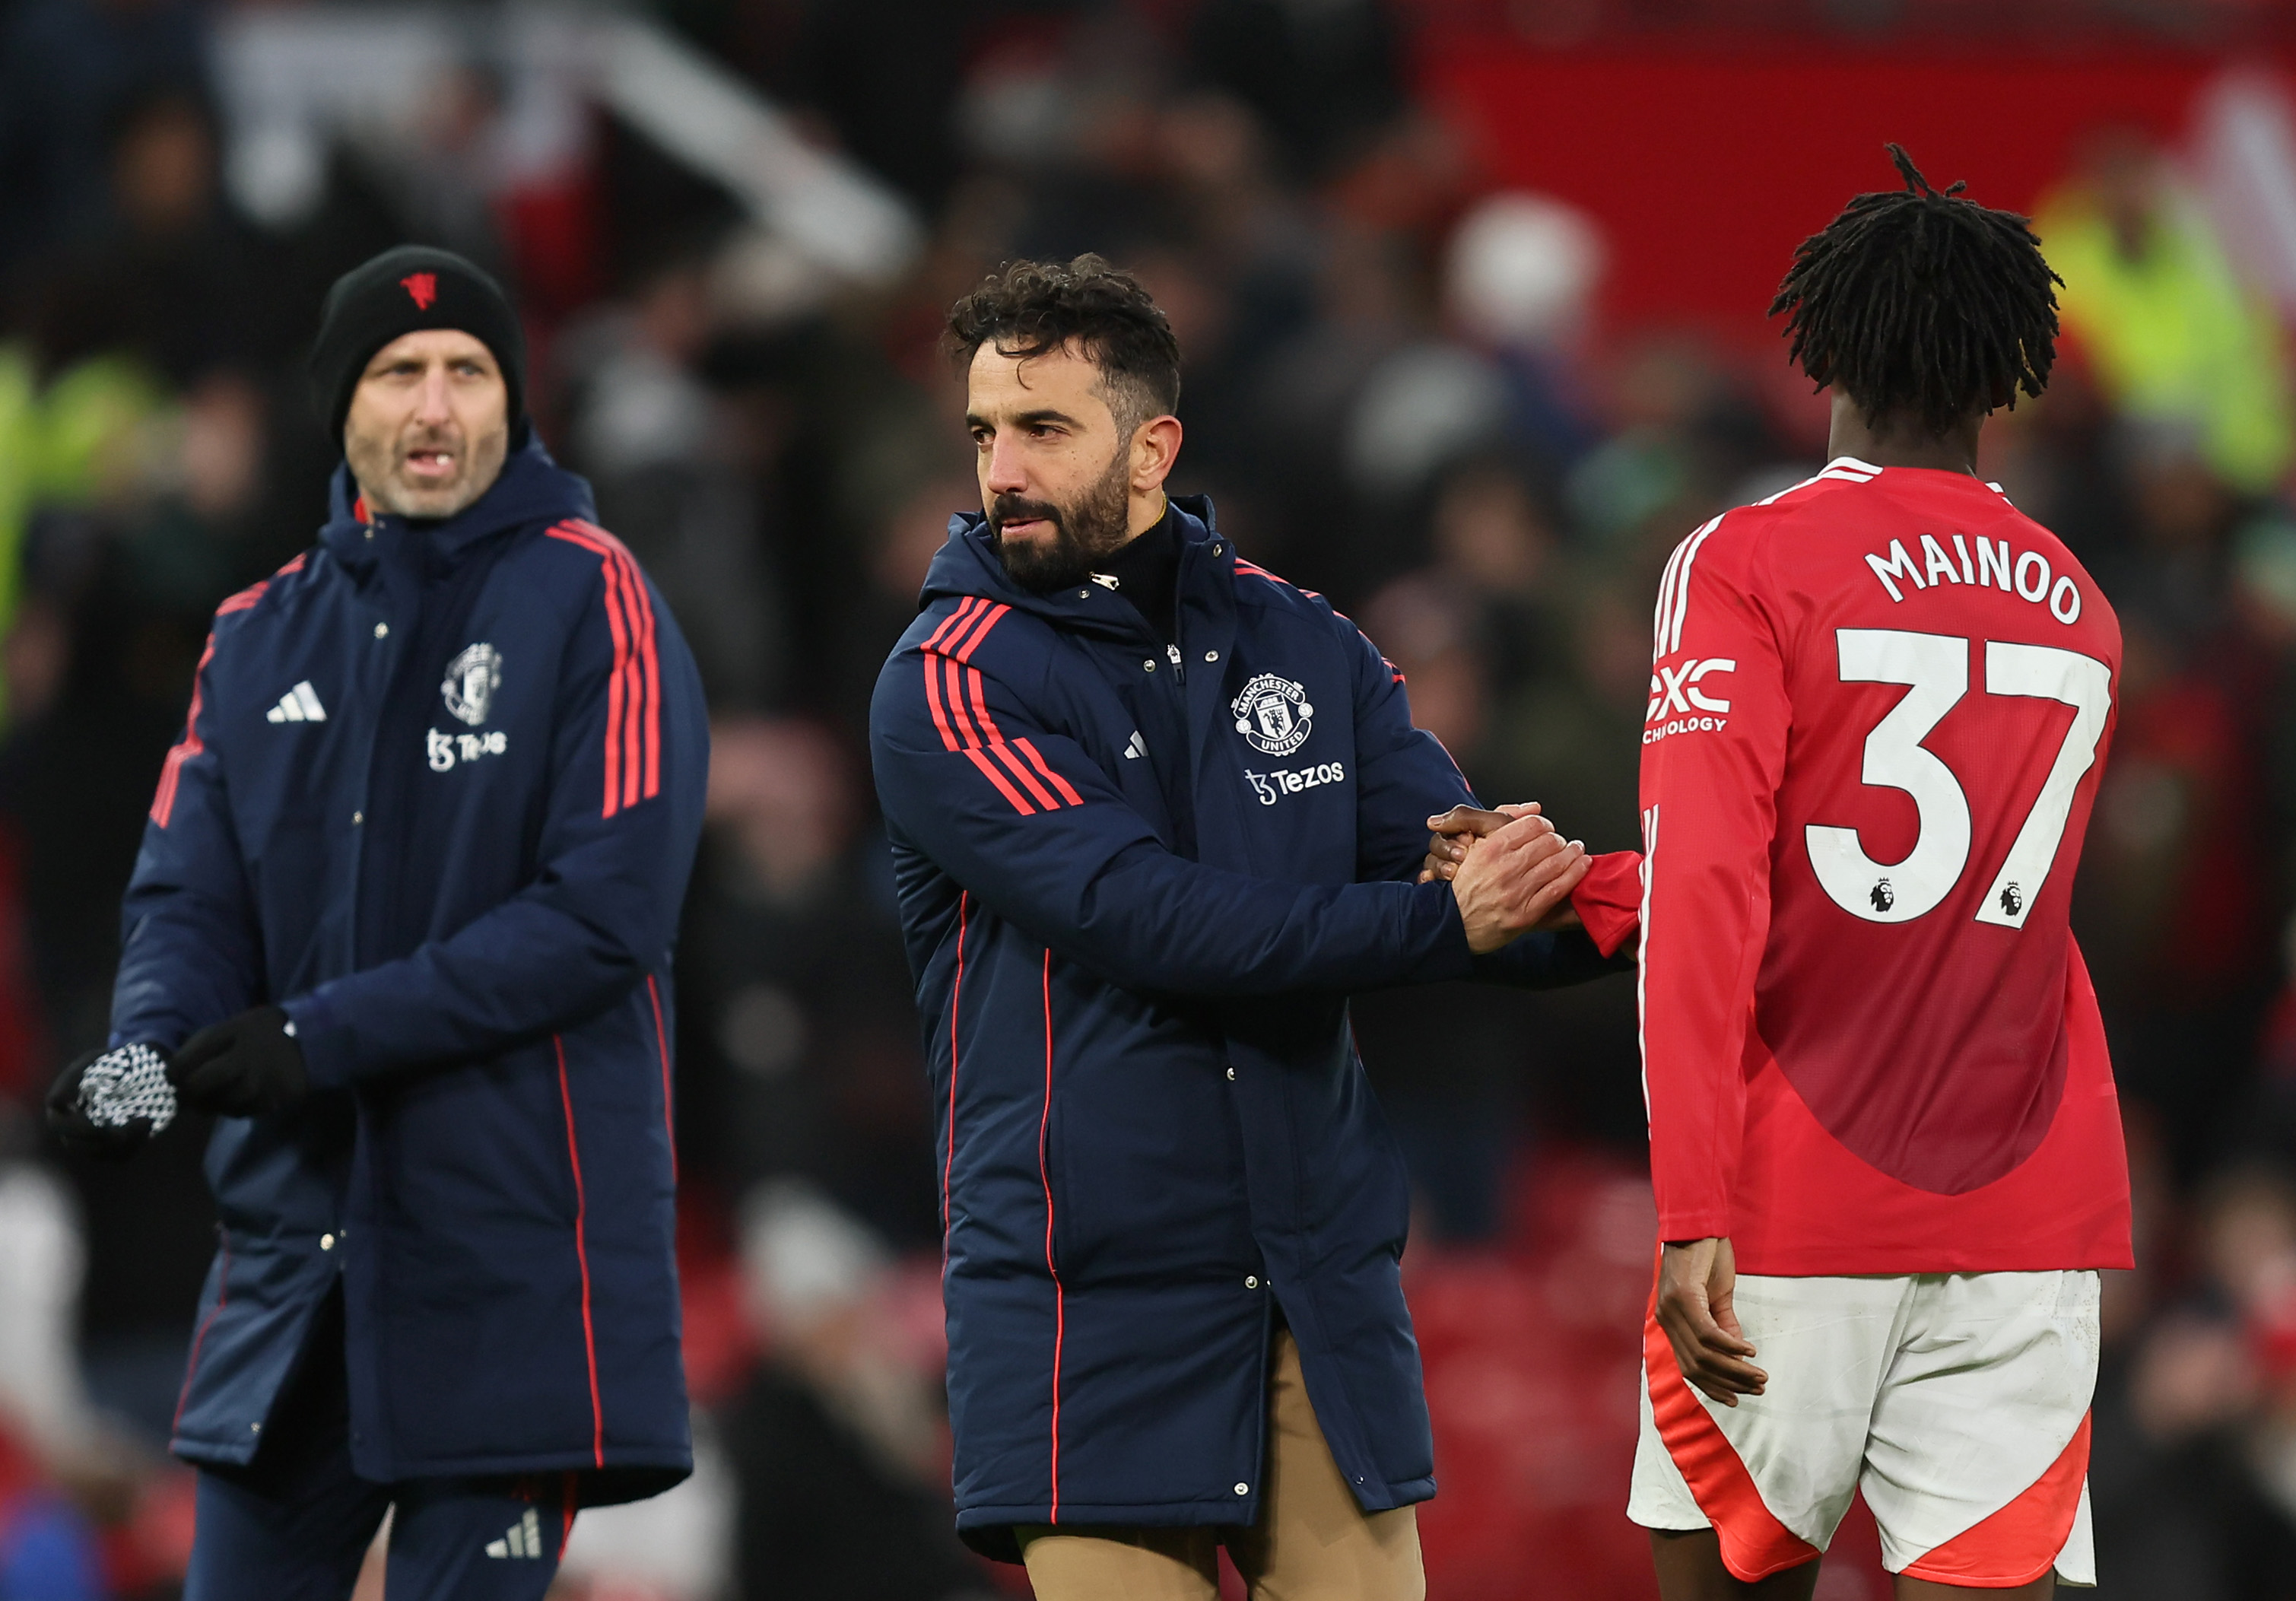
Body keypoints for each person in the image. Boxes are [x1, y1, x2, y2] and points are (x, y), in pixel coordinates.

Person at [867, 254, 1640, 1599]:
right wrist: (1442, 921)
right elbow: (1149, 919)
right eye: (985, 430)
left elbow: (1476, 888)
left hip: (1310, 1292)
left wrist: (1621, 900)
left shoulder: (1306, 644)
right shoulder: (946, 680)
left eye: (1043, 428)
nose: (1001, 469)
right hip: (1087, 1306)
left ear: (1152, 442)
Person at [43, 244, 709, 1600]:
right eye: (398, 371)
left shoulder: (597, 599)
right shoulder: (252, 637)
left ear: (514, 404)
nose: (433, 405)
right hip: (296, 1272)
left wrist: (317, 1035)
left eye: (468, 372)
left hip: (508, 1265)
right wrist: (148, 1050)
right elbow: (187, 896)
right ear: (339, 404)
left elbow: (606, 916)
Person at [1624, 148, 2130, 1598]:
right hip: (2024, 1210)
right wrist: (1599, 886)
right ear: (2004, 375)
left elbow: (1722, 885)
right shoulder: (2079, 602)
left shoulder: (1744, 561)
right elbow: (1950, 890)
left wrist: (1688, 1206)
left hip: (1789, 1192)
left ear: (1823, 347)